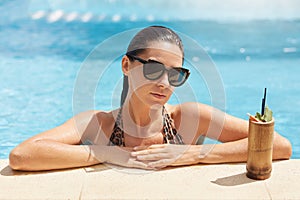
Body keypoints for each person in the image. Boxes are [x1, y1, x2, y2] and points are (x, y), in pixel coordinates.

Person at [9, 26, 292, 171]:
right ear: (126, 66)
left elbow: (279, 145)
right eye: (154, 69)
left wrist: (194, 154)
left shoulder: (189, 119)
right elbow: (22, 155)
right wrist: (107, 153)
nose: (164, 83)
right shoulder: (100, 125)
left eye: (175, 74)